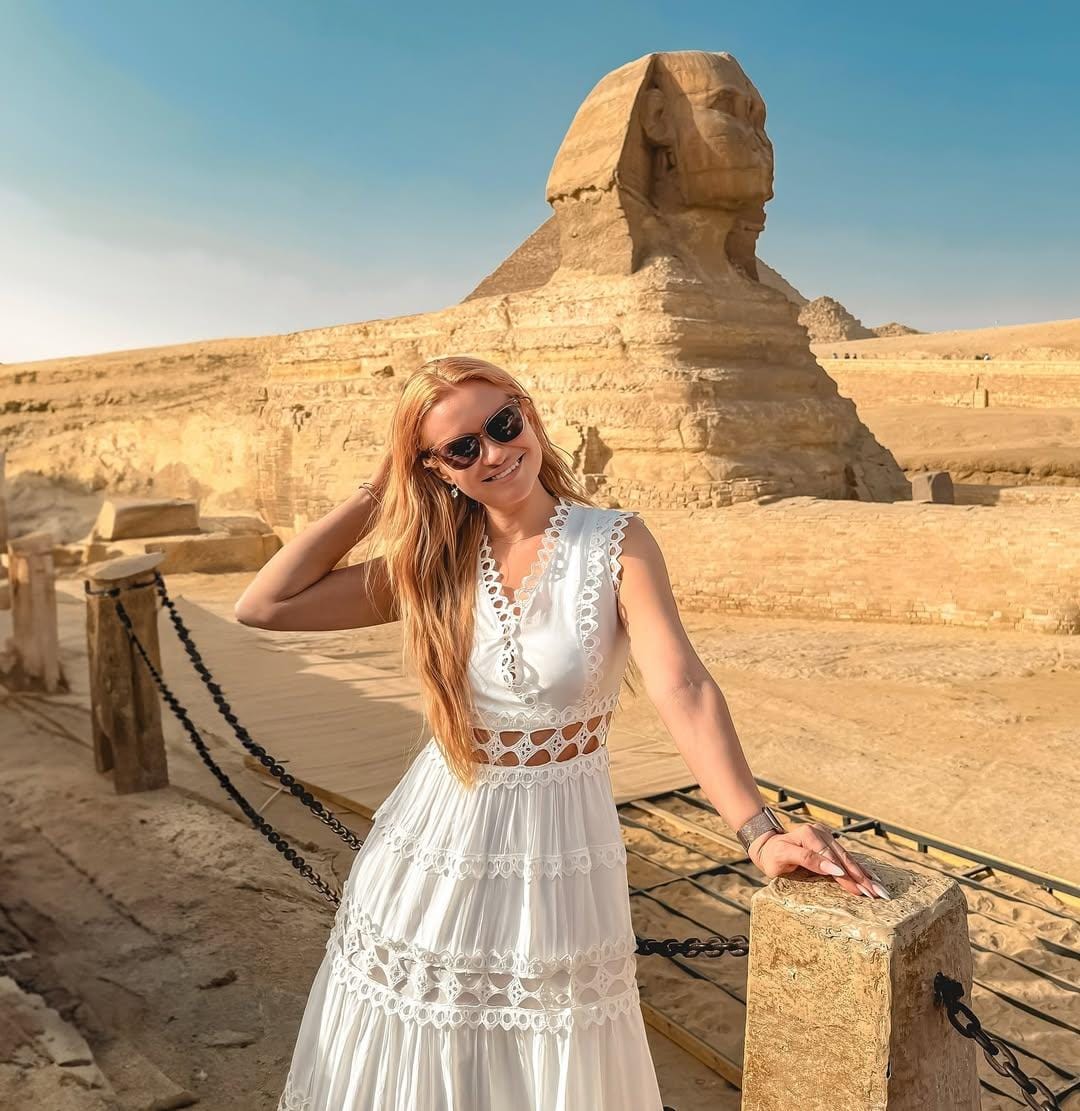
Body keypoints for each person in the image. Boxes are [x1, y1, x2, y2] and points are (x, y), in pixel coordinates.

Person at [235, 355, 888, 1110]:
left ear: (527, 415)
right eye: (461, 448)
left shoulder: (616, 544)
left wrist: (758, 829)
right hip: (432, 849)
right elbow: (267, 604)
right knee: (422, 1056)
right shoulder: (434, 561)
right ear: (437, 468)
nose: (494, 452)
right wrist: (382, 483)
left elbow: (684, 684)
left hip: (558, 848)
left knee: (546, 1060)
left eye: (502, 425)